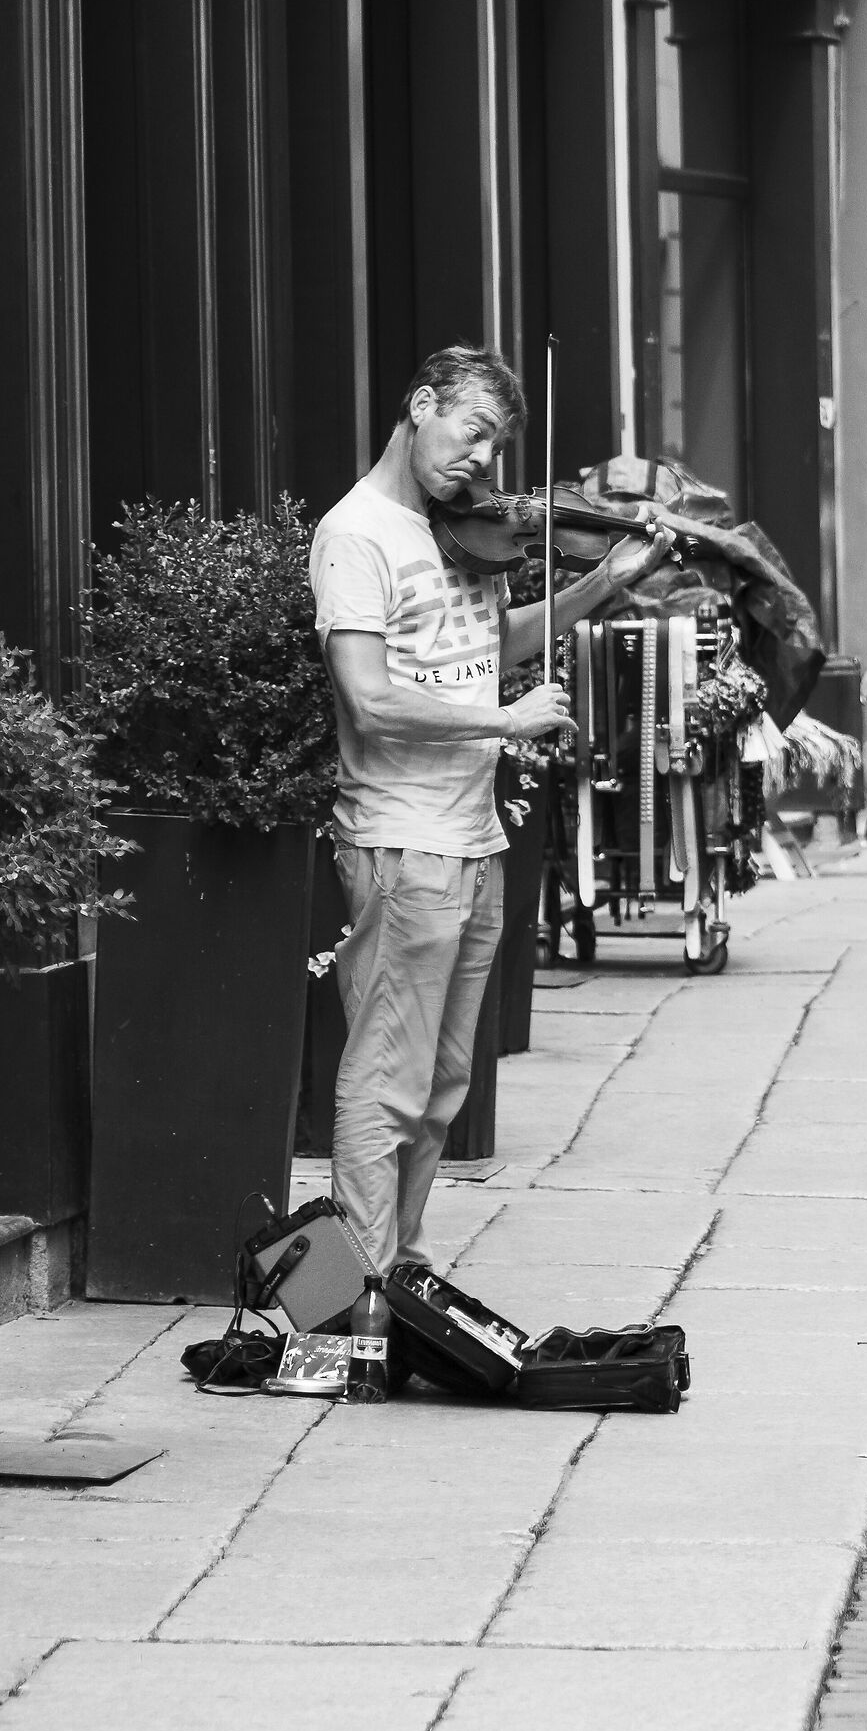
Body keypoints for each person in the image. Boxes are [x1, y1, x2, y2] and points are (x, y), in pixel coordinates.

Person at [311, 342, 667, 1272]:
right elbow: (369, 699)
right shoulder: (357, 535)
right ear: (421, 404)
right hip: (403, 839)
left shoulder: (468, 532)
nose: (482, 460)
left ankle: (404, 1267)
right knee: (386, 1082)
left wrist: (603, 583)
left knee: (441, 1088)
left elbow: (489, 642)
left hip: (472, 839)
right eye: (473, 432)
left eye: (498, 445)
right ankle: (357, 1293)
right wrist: (506, 722)